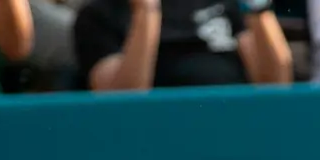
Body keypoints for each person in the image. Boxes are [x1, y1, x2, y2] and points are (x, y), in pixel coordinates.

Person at [73, 0, 293, 91]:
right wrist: (146, 12)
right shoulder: (99, 16)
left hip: (235, 127)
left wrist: (258, 6)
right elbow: (122, 100)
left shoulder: (223, 4)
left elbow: (275, 81)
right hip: (156, 139)